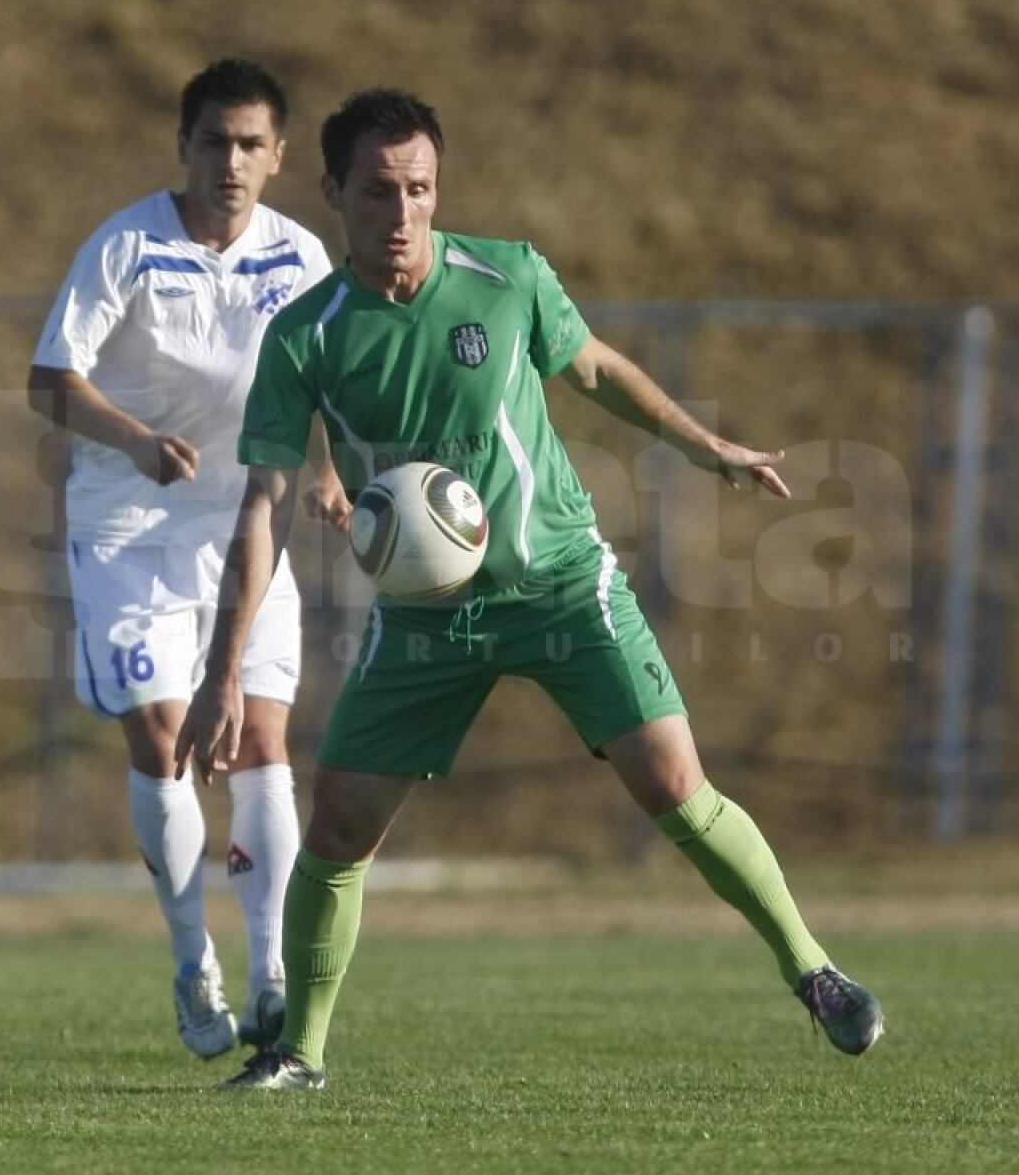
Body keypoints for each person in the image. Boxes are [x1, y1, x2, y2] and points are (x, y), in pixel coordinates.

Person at [175, 88, 885, 1091]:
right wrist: (219, 678)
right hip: (423, 617)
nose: (402, 214)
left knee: (675, 786)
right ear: (333, 192)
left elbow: (592, 368)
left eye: (419, 189)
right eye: (377, 193)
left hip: (559, 584)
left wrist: (706, 446)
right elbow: (263, 509)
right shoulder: (307, 337)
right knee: (336, 827)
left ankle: (814, 971)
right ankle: (300, 1055)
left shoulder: (506, 276)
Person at [28, 58, 348, 1061]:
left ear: (279, 157)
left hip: (248, 528)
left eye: (252, 144)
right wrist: (129, 439)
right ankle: (189, 964)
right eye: (214, 141)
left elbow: (325, 378)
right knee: (166, 735)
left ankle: (271, 976)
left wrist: (330, 472)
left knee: (262, 743)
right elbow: (49, 381)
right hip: (129, 527)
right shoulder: (127, 245)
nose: (231, 161)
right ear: (185, 145)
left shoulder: (299, 256)